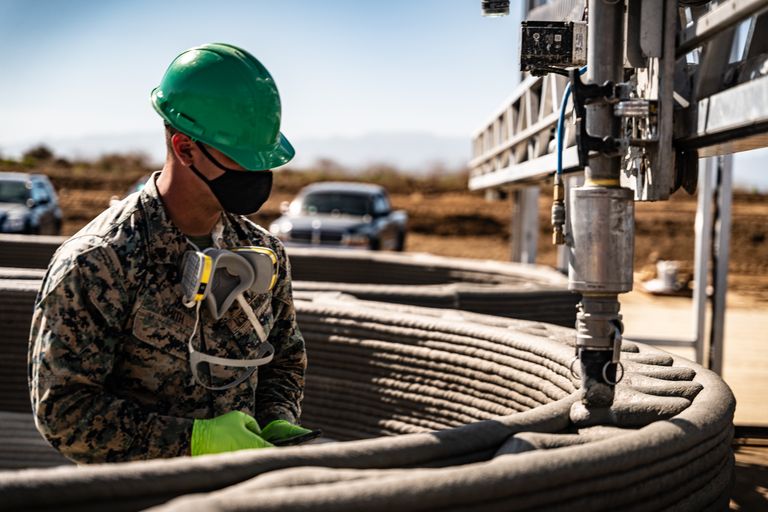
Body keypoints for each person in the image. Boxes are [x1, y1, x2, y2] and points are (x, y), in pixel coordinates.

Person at [28, 43, 315, 463]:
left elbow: (284, 358)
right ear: (184, 149)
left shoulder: (265, 252)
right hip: (139, 496)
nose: (257, 176)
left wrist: (274, 418)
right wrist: (191, 442)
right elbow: (64, 412)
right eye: (242, 160)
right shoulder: (99, 261)